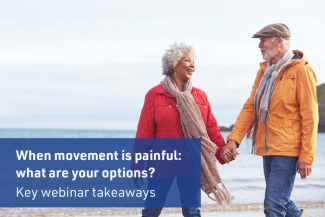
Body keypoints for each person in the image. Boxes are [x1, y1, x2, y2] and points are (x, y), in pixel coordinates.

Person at [222, 23, 318, 217]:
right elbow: (251, 108)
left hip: (288, 150)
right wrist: (234, 139)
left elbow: (310, 116)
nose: (260, 45)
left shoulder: (301, 70)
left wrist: (307, 156)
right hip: (268, 148)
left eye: (263, 40)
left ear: (279, 41)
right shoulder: (264, 72)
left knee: (273, 205)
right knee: (281, 200)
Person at [133, 42, 233, 217]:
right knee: (152, 209)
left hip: (192, 162)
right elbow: (145, 133)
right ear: (173, 65)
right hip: (162, 162)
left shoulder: (200, 95)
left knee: (192, 211)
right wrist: (138, 164)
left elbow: (211, 128)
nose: (192, 65)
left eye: (194, 61)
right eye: (187, 60)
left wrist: (221, 152)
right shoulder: (155, 94)